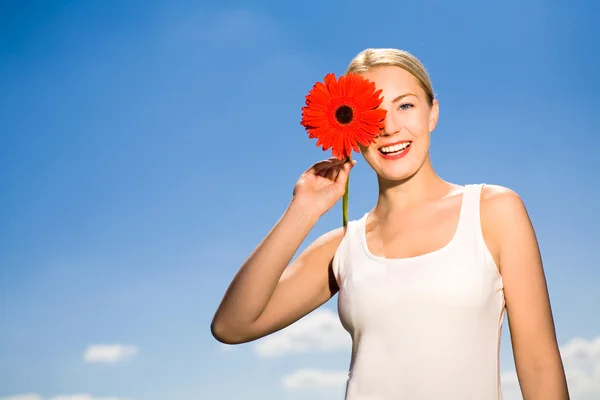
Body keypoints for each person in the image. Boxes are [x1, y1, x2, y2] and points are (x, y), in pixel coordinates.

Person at [210, 48, 570, 399]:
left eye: (405, 105)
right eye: (372, 113)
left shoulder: (493, 211)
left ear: (432, 113)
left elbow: (539, 366)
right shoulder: (344, 246)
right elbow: (232, 325)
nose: (389, 127)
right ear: (351, 127)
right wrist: (303, 209)